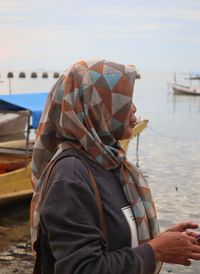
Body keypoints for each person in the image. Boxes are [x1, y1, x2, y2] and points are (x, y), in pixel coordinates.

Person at [30, 59, 200, 274]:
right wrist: (156, 251)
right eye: (125, 99)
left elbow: (109, 242)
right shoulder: (71, 176)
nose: (134, 108)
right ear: (97, 105)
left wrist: (161, 241)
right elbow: (82, 269)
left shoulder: (109, 163)